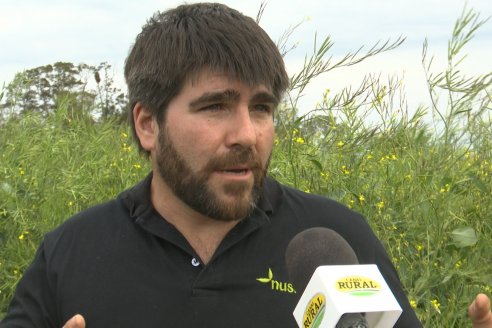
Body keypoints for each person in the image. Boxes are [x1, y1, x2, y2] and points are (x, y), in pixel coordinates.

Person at [0, 3, 484, 327]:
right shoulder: (72, 252)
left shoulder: (335, 238)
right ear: (148, 125)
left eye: (261, 108)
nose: (247, 134)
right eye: (215, 107)